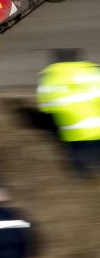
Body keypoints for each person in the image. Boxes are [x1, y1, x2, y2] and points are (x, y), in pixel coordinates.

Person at [36, 49, 100, 177]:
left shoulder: (49, 79)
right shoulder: (93, 73)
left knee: (80, 163)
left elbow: (45, 108)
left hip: (74, 132)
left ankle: (83, 175)